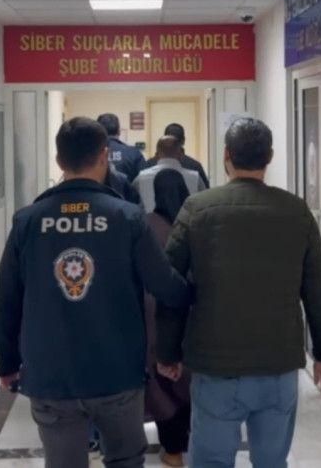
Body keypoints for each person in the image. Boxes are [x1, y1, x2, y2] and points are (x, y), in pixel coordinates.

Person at [0, 117, 190, 468]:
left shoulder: (28, 221)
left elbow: (7, 299)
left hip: (51, 375)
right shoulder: (127, 217)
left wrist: (8, 363)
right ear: (103, 157)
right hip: (118, 372)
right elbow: (166, 286)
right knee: (125, 461)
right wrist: (198, 297)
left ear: (58, 160)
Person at [156, 118, 321, 468]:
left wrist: (167, 351)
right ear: (269, 157)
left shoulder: (197, 209)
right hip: (278, 366)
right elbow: (317, 291)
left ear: (226, 155)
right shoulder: (296, 211)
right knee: (272, 462)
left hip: (216, 367)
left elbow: (171, 287)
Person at [143, 170, 194, 467]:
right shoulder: (196, 221)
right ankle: (193, 440)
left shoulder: (146, 224)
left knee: (162, 382)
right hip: (194, 312)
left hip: (154, 313)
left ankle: (173, 450)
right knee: (191, 378)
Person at [132, 136, 205, 214]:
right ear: (181, 155)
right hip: (188, 221)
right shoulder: (196, 178)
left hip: (149, 221)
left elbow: (131, 204)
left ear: (156, 156)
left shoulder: (140, 178)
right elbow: (204, 205)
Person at [144, 123, 209, 188]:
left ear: (164, 139)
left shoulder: (148, 165)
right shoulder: (195, 166)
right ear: (183, 140)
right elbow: (206, 192)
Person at [98, 113, 146, 182]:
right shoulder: (134, 153)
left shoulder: (90, 153)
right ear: (119, 132)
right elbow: (143, 180)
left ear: (98, 132)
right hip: (127, 188)